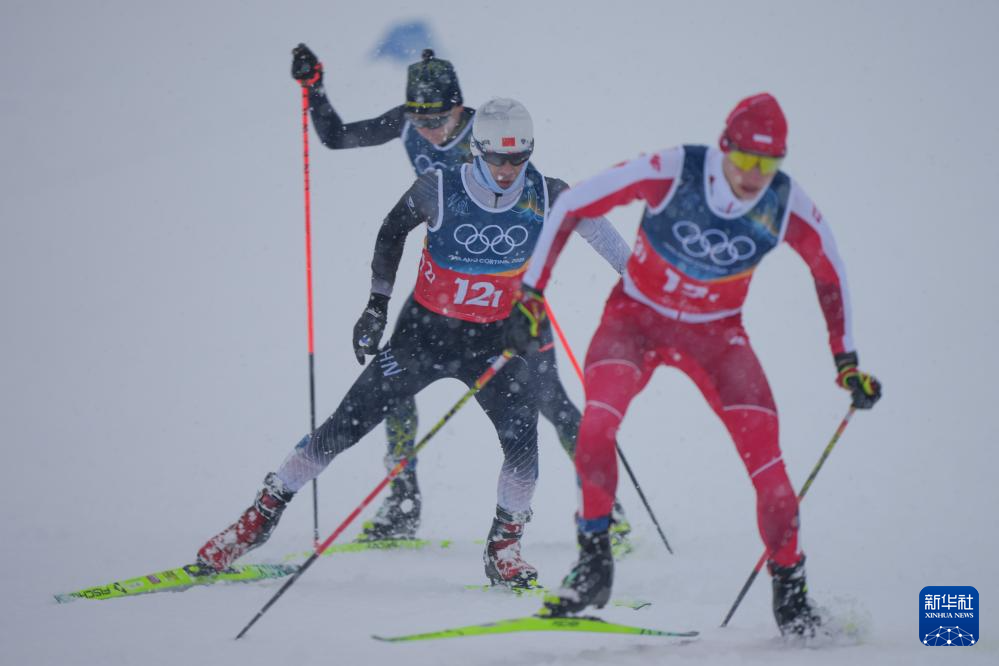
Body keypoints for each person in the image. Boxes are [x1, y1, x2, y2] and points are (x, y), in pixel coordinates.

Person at [196, 98, 631, 588]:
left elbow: (603, 236)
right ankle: (258, 519)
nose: (508, 169)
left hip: (494, 342)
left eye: (518, 158)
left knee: (523, 444)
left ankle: (504, 547)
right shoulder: (438, 188)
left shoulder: (547, 195)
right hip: (423, 338)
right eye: (497, 157)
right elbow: (390, 233)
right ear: (477, 150)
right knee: (343, 427)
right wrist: (376, 307)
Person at [504, 93, 882, 634]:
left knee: (771, 471)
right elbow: (573, 204)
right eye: (745, 159)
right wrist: (531, 293)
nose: (754, 175)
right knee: (596, 428)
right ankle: (594, 565)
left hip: (717, 340)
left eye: (768, 163)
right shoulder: (676, 169)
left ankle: (792, 597)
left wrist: (846, 360)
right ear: (724, 147)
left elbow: (829, 269)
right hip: (633, 324)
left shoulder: (784, 202)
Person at [290, 44, 633, 547]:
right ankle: (403, 501)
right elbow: (338, 137)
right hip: (445, 287)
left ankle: (604, 505)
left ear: (461, 109)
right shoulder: (410, 123)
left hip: (506, 296)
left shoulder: (491, 135)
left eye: (438, 120)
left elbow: (535, 191)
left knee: (549, 399)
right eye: (419, 120)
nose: (428, 130)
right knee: (394, 392)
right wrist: (314, 89)